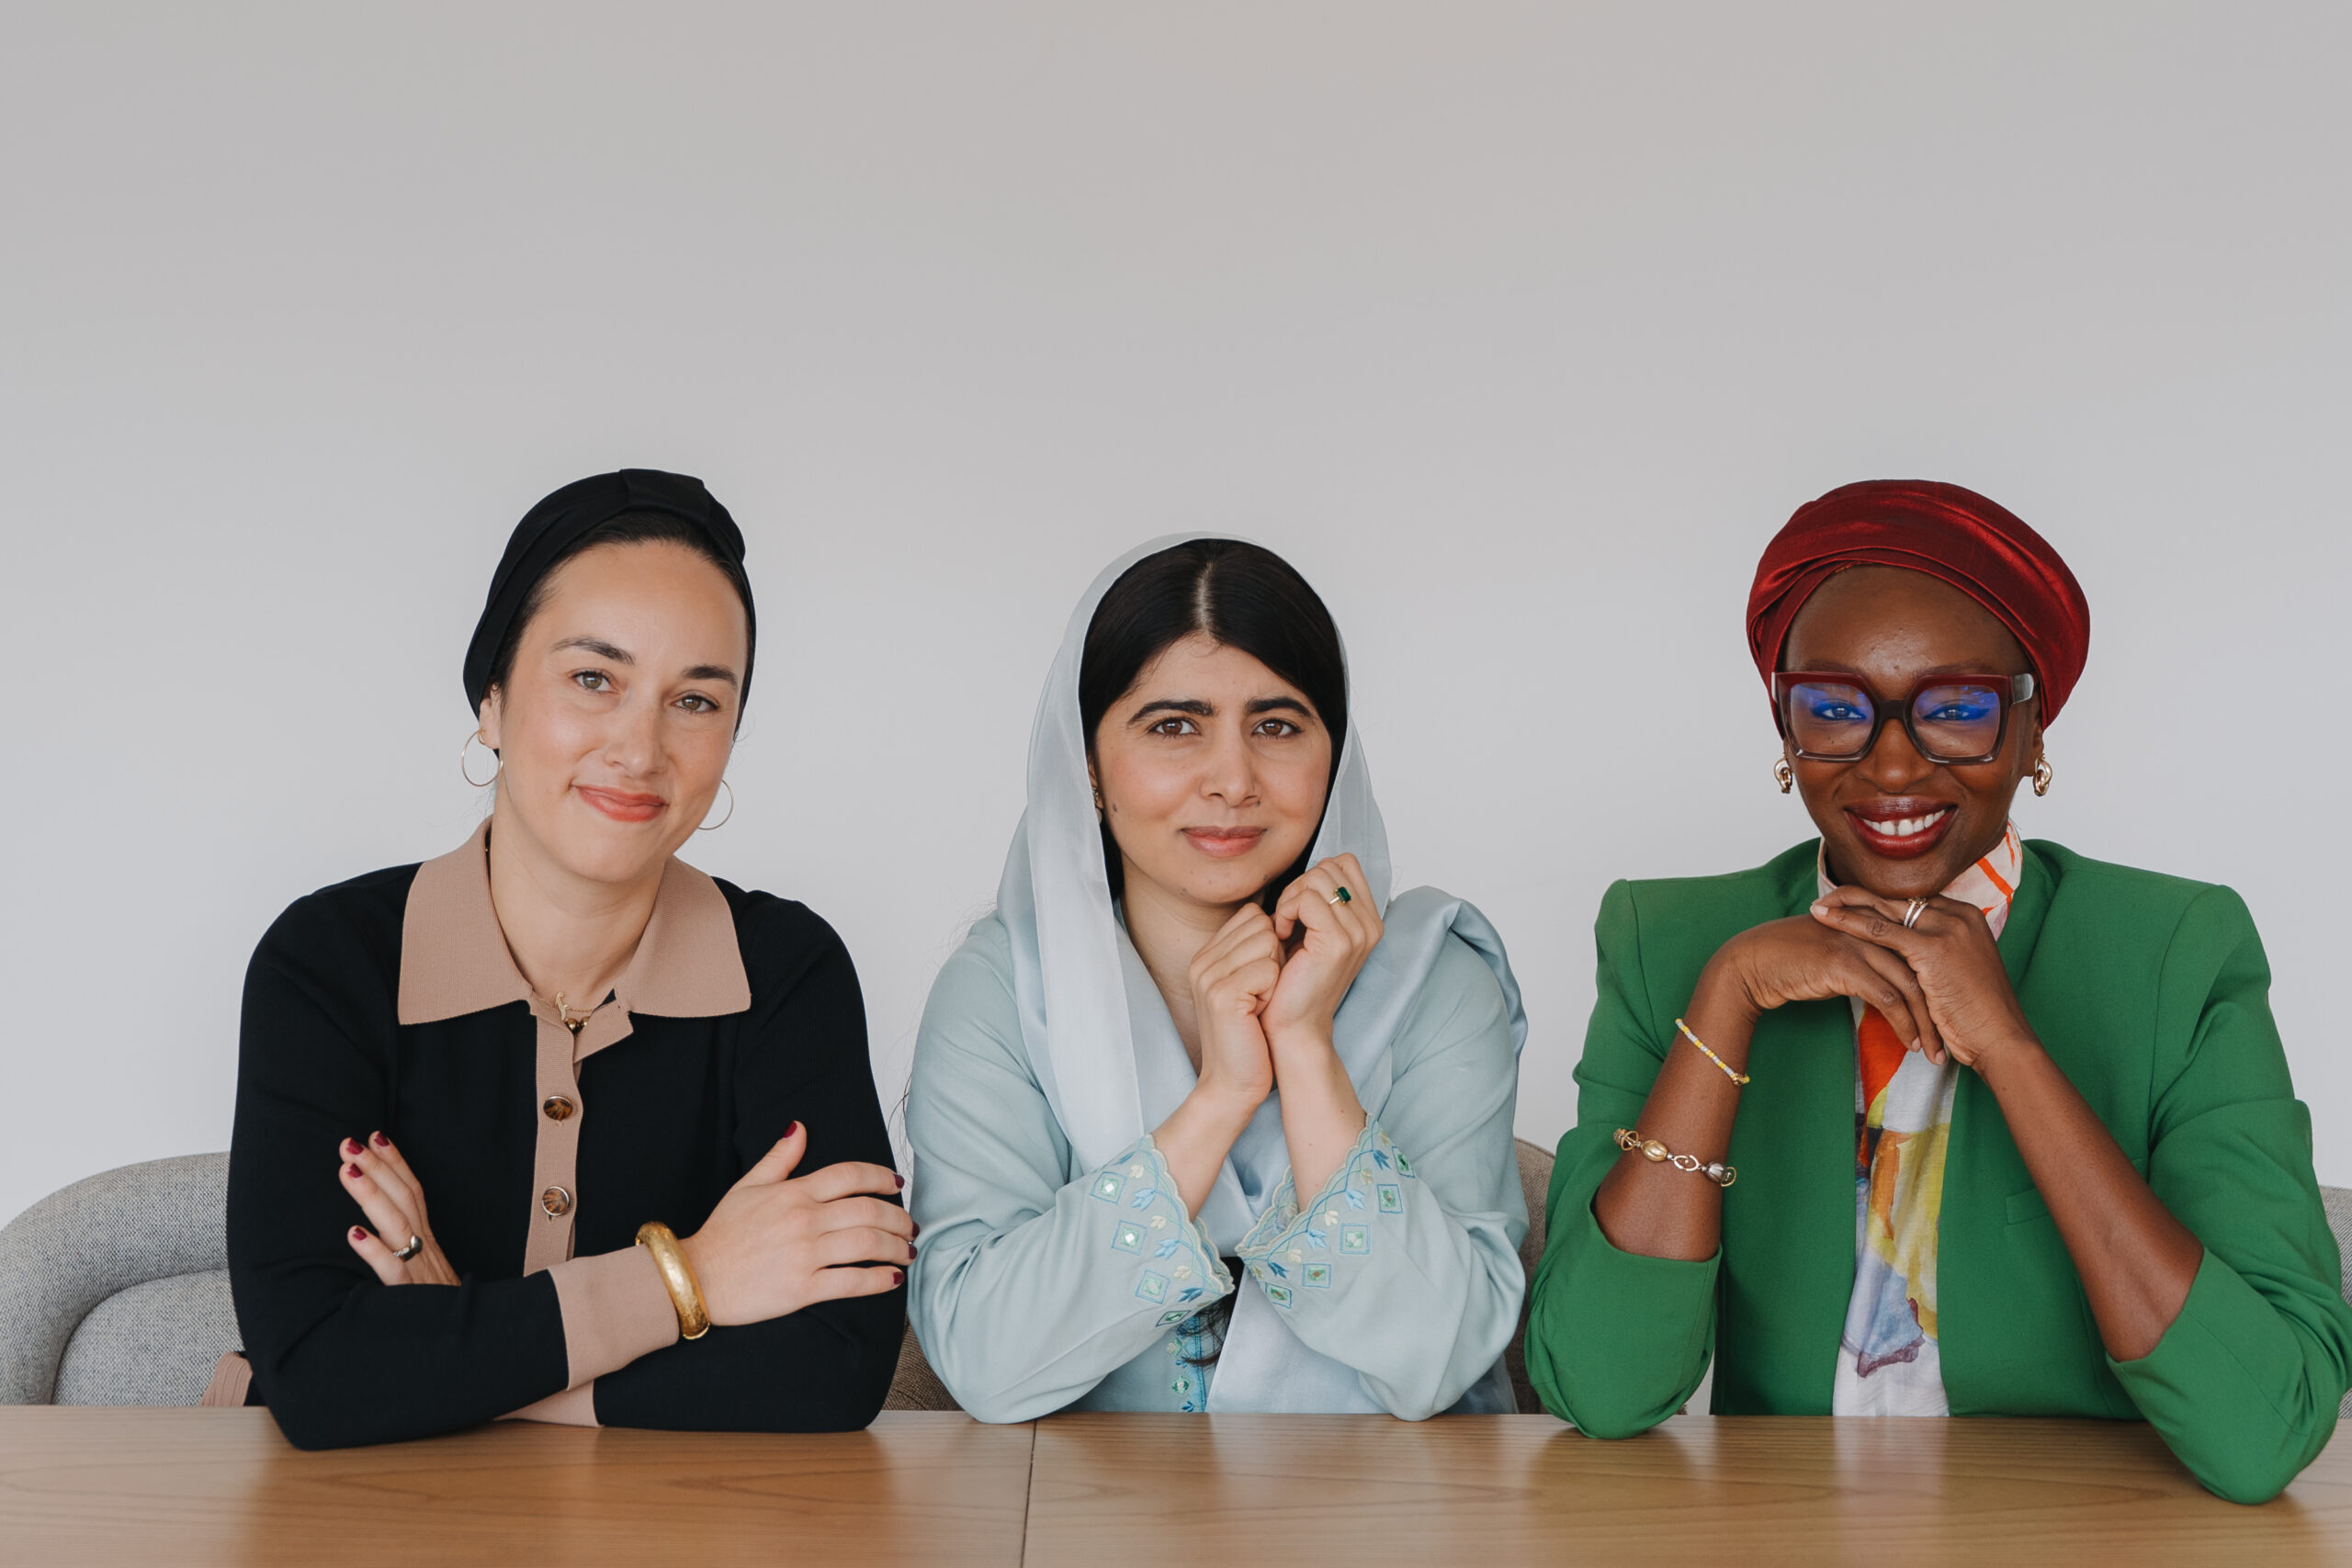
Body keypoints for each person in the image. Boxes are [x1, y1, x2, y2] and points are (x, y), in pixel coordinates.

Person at [1524, 479, 2352, 1503]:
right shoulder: (1672, 943)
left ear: (2032, 729)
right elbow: (1602, 1390)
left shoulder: (2174, 950)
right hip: (1781, 1532)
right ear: (1785, 733)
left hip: (2078, 1534)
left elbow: (2264, 1430)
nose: (1892, 765)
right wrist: (1727, 994)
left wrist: (2009, 1046)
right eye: (1834, 708)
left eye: (1954, 709)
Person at [225, 469, 909, 1449]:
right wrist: (694, 1279)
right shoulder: (332, 963)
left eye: (696, 700)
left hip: (660, 1532)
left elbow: (835, 1369)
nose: (640, 749)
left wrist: (455, 1350)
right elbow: (322, 1375)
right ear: (493, 700)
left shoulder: (784, 971)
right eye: (594, 679)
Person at [907, 537, 1527, 1420]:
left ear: (1334, 755)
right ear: (1087, 766)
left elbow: (1442, 1352)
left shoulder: (1437, 976)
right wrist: (1223, 1094)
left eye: (1277, 726)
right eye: (1173, 726)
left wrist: (1306, 1050)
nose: (1232, 780)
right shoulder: (1002, 992)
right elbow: (987, 1359)